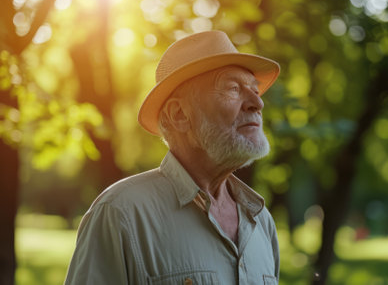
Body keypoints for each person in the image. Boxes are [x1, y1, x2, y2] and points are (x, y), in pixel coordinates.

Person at [64, 30, 281, 285]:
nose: (257, 102)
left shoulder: (261, 221)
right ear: (179, 114)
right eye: (233, 88)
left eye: (255, 90)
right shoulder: (120, 213)